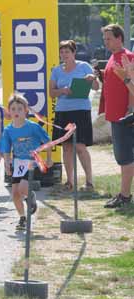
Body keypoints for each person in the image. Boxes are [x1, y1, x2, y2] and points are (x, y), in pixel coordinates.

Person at [49, 40, 99, 193]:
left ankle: (89, 181)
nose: (64, 55)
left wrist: (92, 80)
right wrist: (62, 91)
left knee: (80, 146)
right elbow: (51, 93)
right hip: (63, 111)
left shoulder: (84, 66)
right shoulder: (56, 71)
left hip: (81, 110)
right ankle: (70, 181)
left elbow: (96, 87)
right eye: (62, 52)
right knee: (67, 147)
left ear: (74, 53)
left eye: (67, 52)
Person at [0, 94, 53, 230]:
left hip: (32, 160)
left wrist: (48, 158)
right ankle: (22, 217)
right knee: (15, 193)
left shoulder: (33, 127)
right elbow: (6, 149)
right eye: (13, 109)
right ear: (9, 112)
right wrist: (7, 164)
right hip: (17, 162)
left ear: (26, 111)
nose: (16, 112)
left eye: (19, 109)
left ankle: (31, 196)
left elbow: (47, 141)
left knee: (23, 188)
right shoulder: (8, 130)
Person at [97, 24, 134, 208]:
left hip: (124, 116)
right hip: (115, 115)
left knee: (125, 157)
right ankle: (124, 193)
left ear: (119, 38)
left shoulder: (128, 57)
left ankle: (125, 197)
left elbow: (131, 83)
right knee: (123, 157)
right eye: (105, 39)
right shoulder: (113, 56)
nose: (106, 42)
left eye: (109, 38)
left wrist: (130, 108)